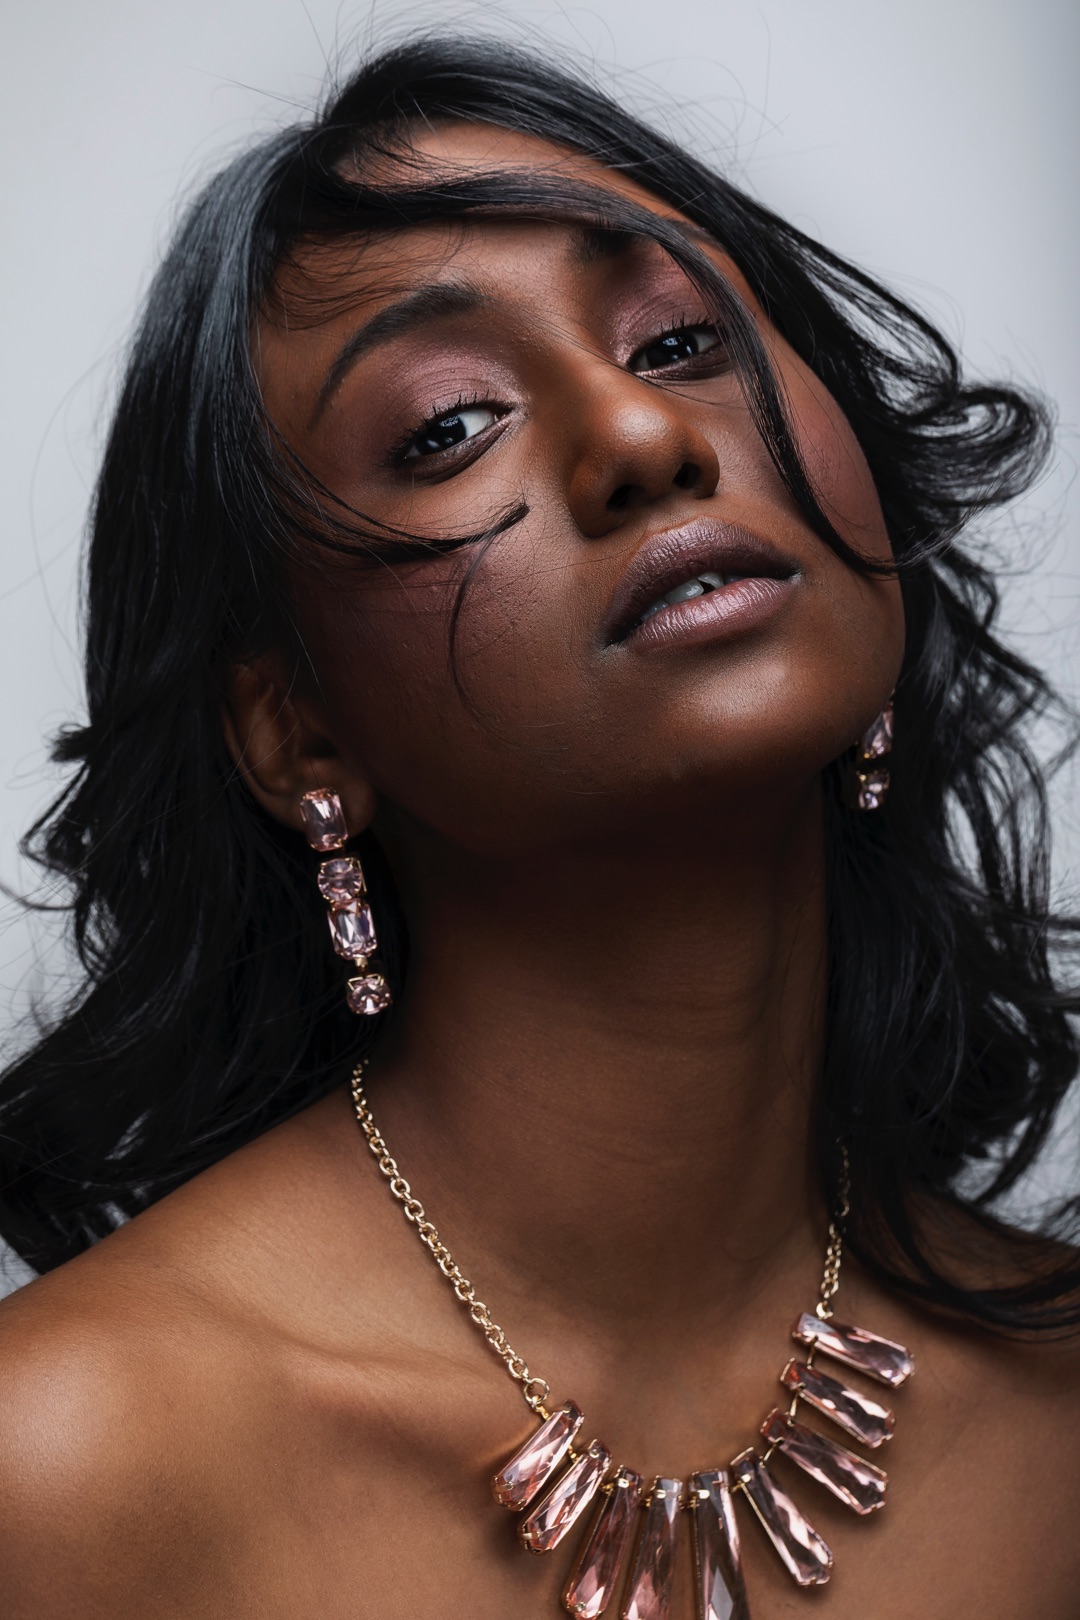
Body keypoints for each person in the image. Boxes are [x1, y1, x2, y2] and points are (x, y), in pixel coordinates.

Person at [0, 35, 1076, 1620]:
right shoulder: (69, 1469)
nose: (643, 438)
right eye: (448, 424)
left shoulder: (1059, 1418)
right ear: (298, 730)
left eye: (683, 341)